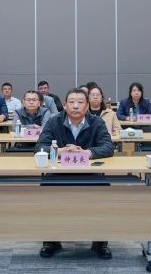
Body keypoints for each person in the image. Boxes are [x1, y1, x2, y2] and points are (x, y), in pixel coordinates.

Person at [36, 87, 115, 259]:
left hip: (90, 173)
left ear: (87, 106)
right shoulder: (54, 121)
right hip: (59, 173)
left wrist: (87, 153)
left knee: (103, 190)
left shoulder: (97, 122)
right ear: (65, 105)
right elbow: (40, 147)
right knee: (46, 190)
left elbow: (108, 147)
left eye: (80, 102)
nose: (75, 106)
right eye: (71, 102)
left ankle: (100, 240)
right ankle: (51, 240)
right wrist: (61, 151)